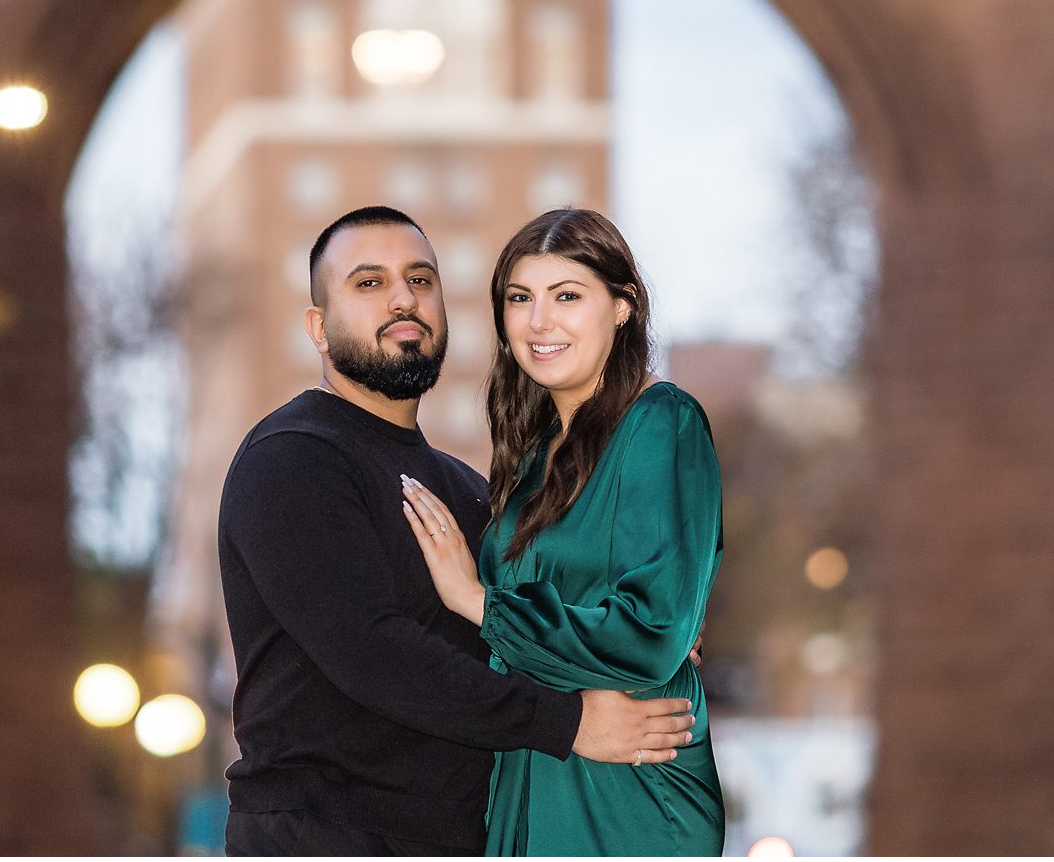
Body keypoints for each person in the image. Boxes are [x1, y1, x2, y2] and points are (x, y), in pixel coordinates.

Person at [217, 205, 698, 856]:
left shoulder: (470, 492)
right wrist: (572, 721)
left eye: (421, 279)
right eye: (368, 282)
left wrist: (636, 637)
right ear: (319, 328)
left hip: (462, 837)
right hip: (323, 832)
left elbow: (524, 630)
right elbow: (375, 653)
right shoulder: (293, 457)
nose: (402, 297)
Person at [400, 207, 725, 856]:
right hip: (533, 773)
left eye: (567, 295)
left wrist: (478, 600)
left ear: (623, 305)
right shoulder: (530, 460)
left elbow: (651, 633)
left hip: (630, 787)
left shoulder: (662, 421)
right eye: (520, 298)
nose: (539, 320)